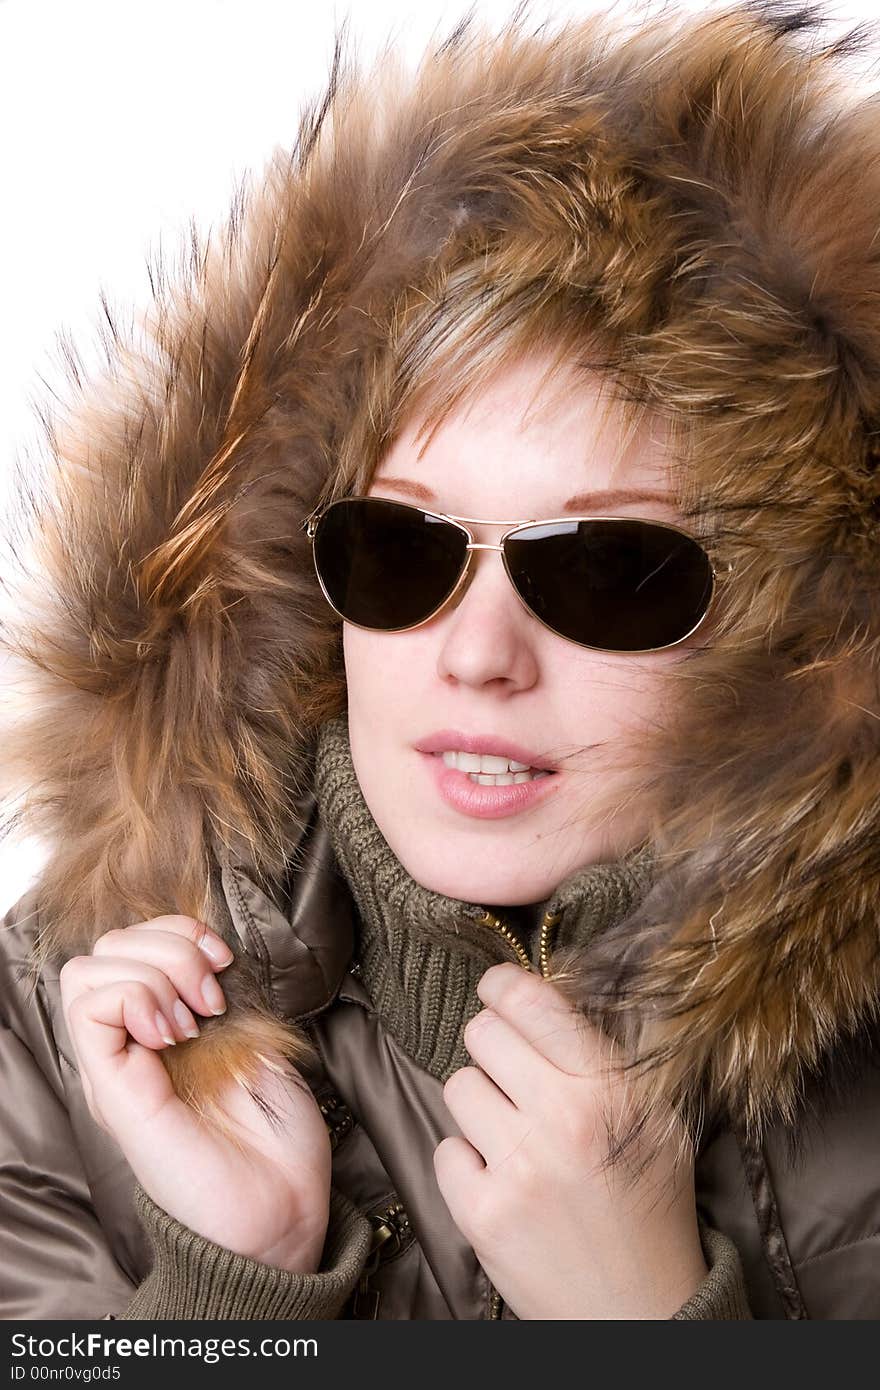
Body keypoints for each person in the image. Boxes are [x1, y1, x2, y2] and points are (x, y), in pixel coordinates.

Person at [1, 0, 879, 1321]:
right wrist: (230, 1286)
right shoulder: (73, 1024)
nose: (475, 653)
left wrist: (647, 1319)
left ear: (793, 641)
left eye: (611, 571)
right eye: (402, 548)